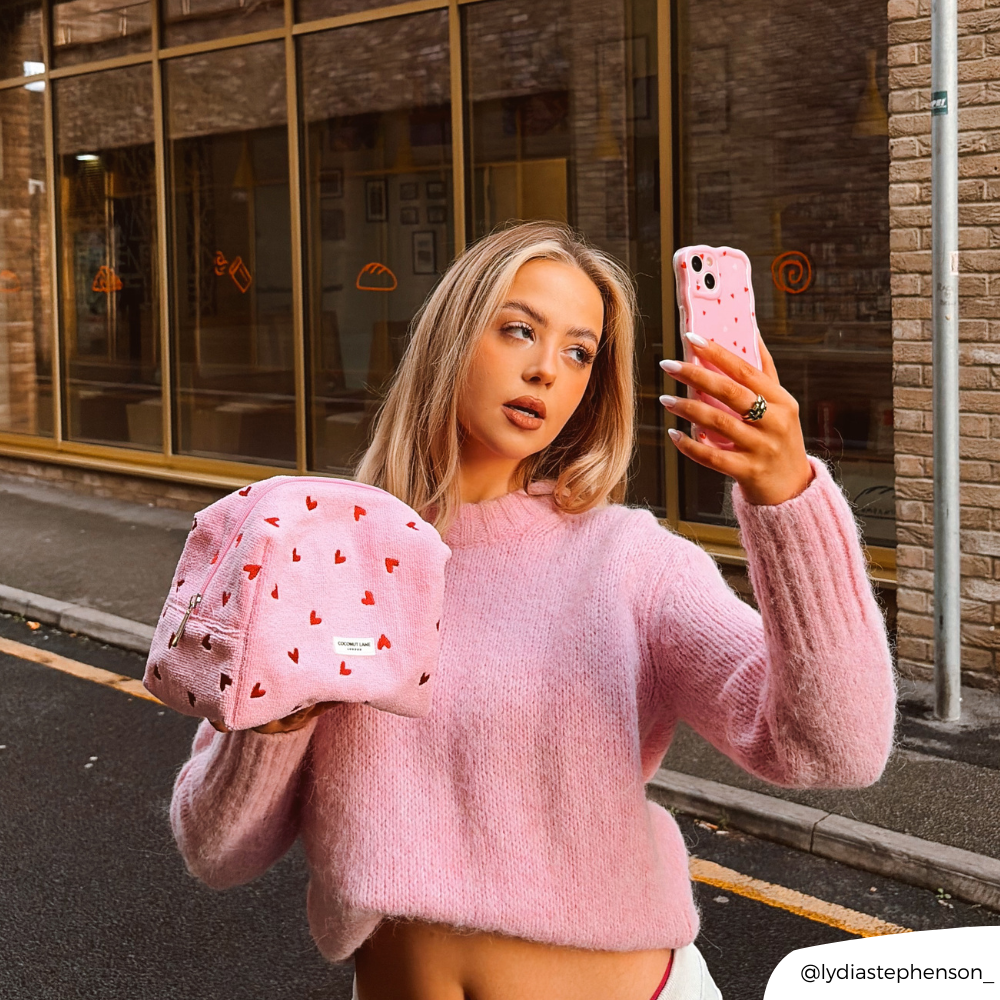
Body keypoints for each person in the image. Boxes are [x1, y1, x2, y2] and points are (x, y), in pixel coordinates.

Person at [169, 221, 896, 1000]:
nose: (548, 369)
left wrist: (786, 496)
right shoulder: (329, 552)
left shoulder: (629, 562)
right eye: (520, 330)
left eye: (580, 352)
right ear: (453, 336)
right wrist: (276, 720)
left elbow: (837, 751)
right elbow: (218, 851)